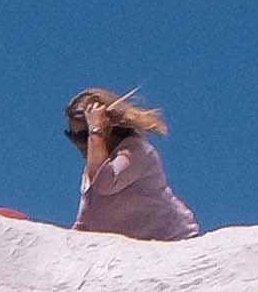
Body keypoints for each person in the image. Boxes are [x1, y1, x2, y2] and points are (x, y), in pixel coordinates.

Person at [69, 88, 198, 242]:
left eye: (84, 135)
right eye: (72, 136)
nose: (80, 143)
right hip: (139, 250)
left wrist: (96, 132)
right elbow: (89, 214)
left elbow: (104, 184)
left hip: (172, 241)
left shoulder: (137, 151)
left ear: (107, 126)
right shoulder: (98, 162)